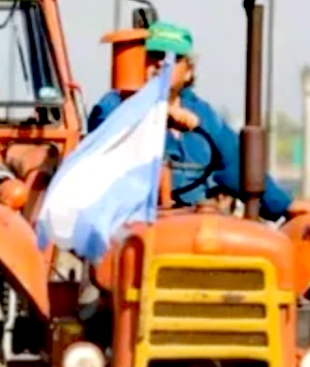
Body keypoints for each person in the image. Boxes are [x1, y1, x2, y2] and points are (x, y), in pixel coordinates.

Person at [87, 21, 295, 221]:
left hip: (193, 225)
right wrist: (161, 113)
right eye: (154, 55)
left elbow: (237, 166)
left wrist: (285, 206)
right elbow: (107, 133)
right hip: (131, 224)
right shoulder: (115, 104)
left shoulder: (204, 117)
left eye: (172, 57)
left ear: (188, 71)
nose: (161, 63)